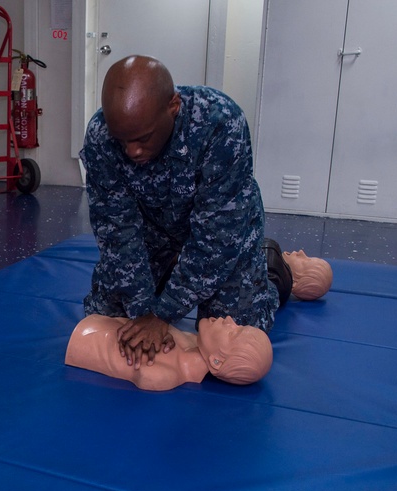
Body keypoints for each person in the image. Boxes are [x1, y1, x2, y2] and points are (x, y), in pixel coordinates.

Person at [80, 54, 291, 369]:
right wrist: (142, 313)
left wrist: (163, 314)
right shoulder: (100, 134)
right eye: (122, 140)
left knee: (239, 335)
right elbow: (116, 230)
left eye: (143, 138)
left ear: (173, 107)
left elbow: (217, 236)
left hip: (222, 231)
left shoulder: (220, 123)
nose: (132, 151)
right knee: (106, 319)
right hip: (155, 231)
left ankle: (274, 269)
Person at [65, 314, 273, 391]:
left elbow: (147, 376)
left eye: (233, 332)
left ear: (216, 362)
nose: (229, 319)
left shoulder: (168, 375)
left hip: (81, 340)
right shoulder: (191, 340)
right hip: (99, 323)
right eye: (237, 325)